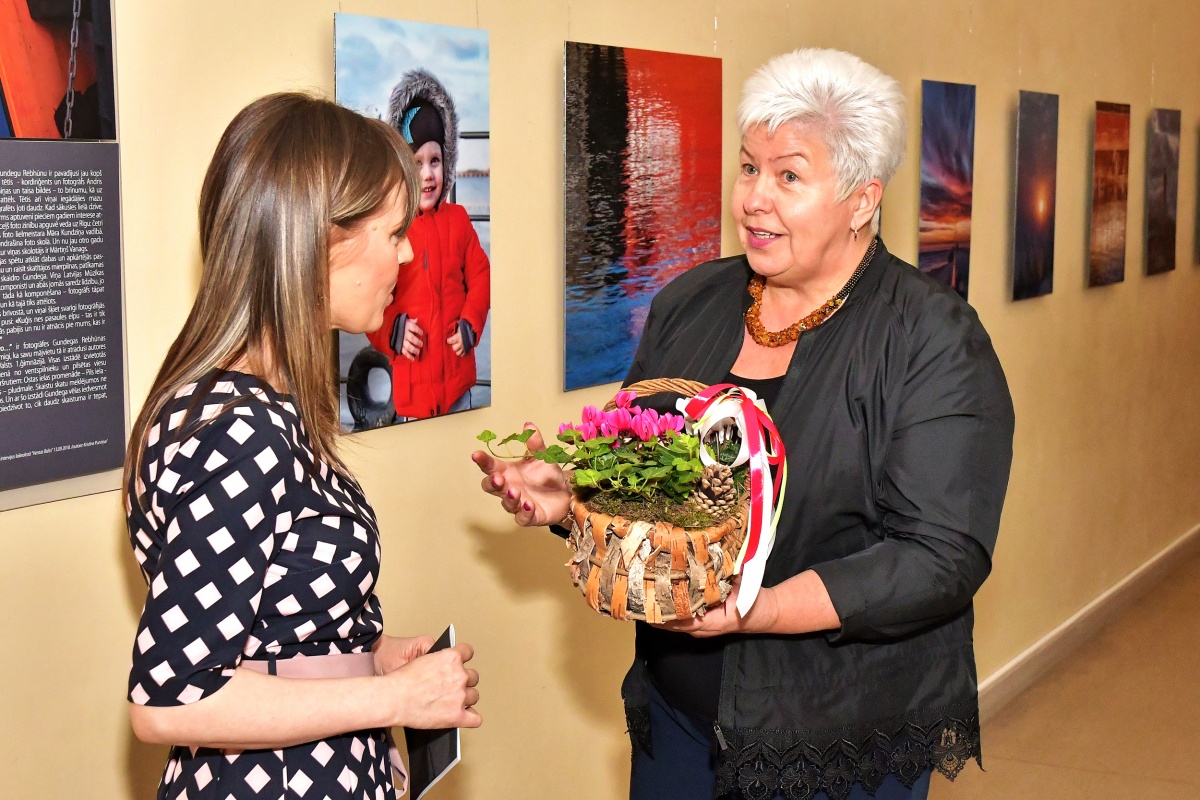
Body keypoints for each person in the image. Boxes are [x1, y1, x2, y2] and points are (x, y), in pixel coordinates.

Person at [473, 48, 1014, 800]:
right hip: (680, 721)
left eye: (789, 176)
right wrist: (574, 500)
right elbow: (646, 485)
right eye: (749, 168)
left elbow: (940, 556)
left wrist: (759, 609)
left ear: (862, 199)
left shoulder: (931, 338)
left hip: (836, 740)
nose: (754, 198)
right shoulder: (690, 304)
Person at [123, 93, 481, 800]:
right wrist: (395, 699)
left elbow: (264, 629)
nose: (408, 253)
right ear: (321, 242)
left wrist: (366, 656)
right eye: (394, 233)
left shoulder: (238, 405)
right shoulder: (242, 431)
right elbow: (171, 697)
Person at [366, 69, 491, 419]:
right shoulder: (391, 229)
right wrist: (392, 331)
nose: (427, 174)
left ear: (446, 163)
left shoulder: (459, 220)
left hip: (459, 384)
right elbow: (371, 296)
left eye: (435, 161)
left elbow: (481, 276)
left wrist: (471, 323)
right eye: (415, 163)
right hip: (413, 393)